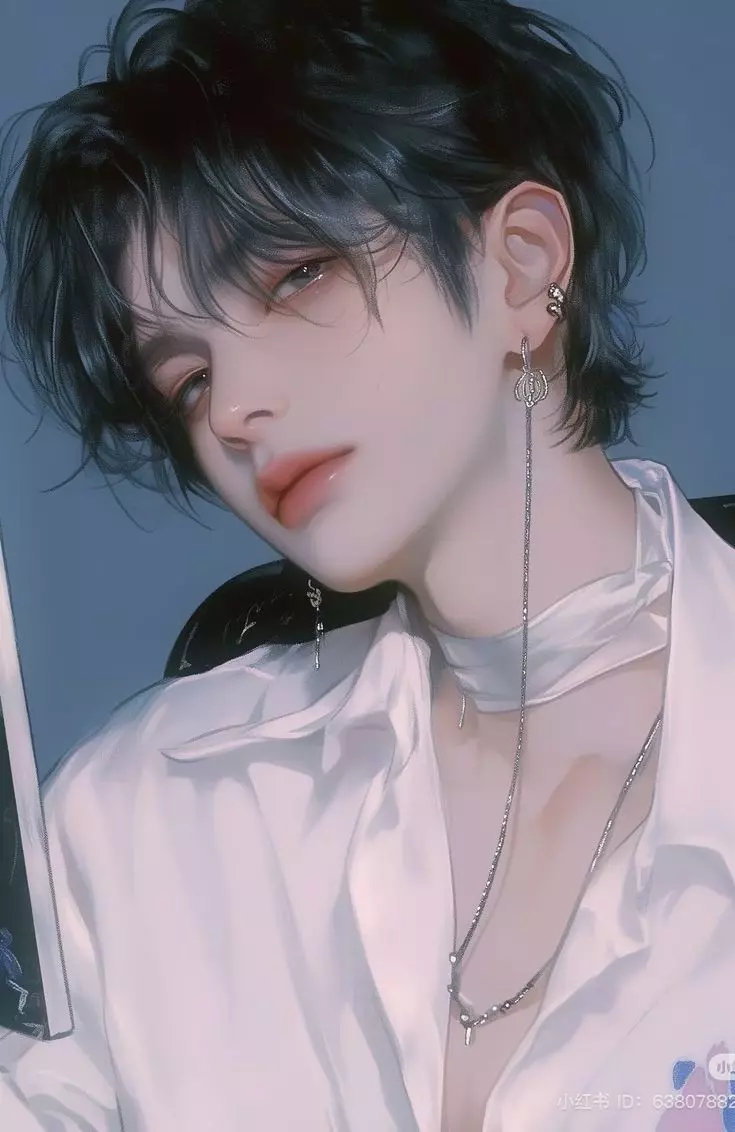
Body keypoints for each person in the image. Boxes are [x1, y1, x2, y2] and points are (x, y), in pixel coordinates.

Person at [1, 0, 734, 1128]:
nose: (234, 410)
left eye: (296, 277)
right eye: (189, 379)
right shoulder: (138, 819)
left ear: (522, 266)